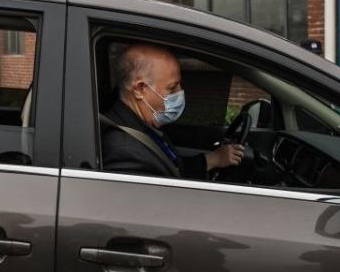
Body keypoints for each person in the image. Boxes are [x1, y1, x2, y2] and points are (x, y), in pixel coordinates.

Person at [101, 43, 244, 179]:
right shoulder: (124, 151)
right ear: (140, 89)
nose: (180, 93)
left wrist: (212, 160)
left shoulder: (144, 125)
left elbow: (172, 167)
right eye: (172, 88)